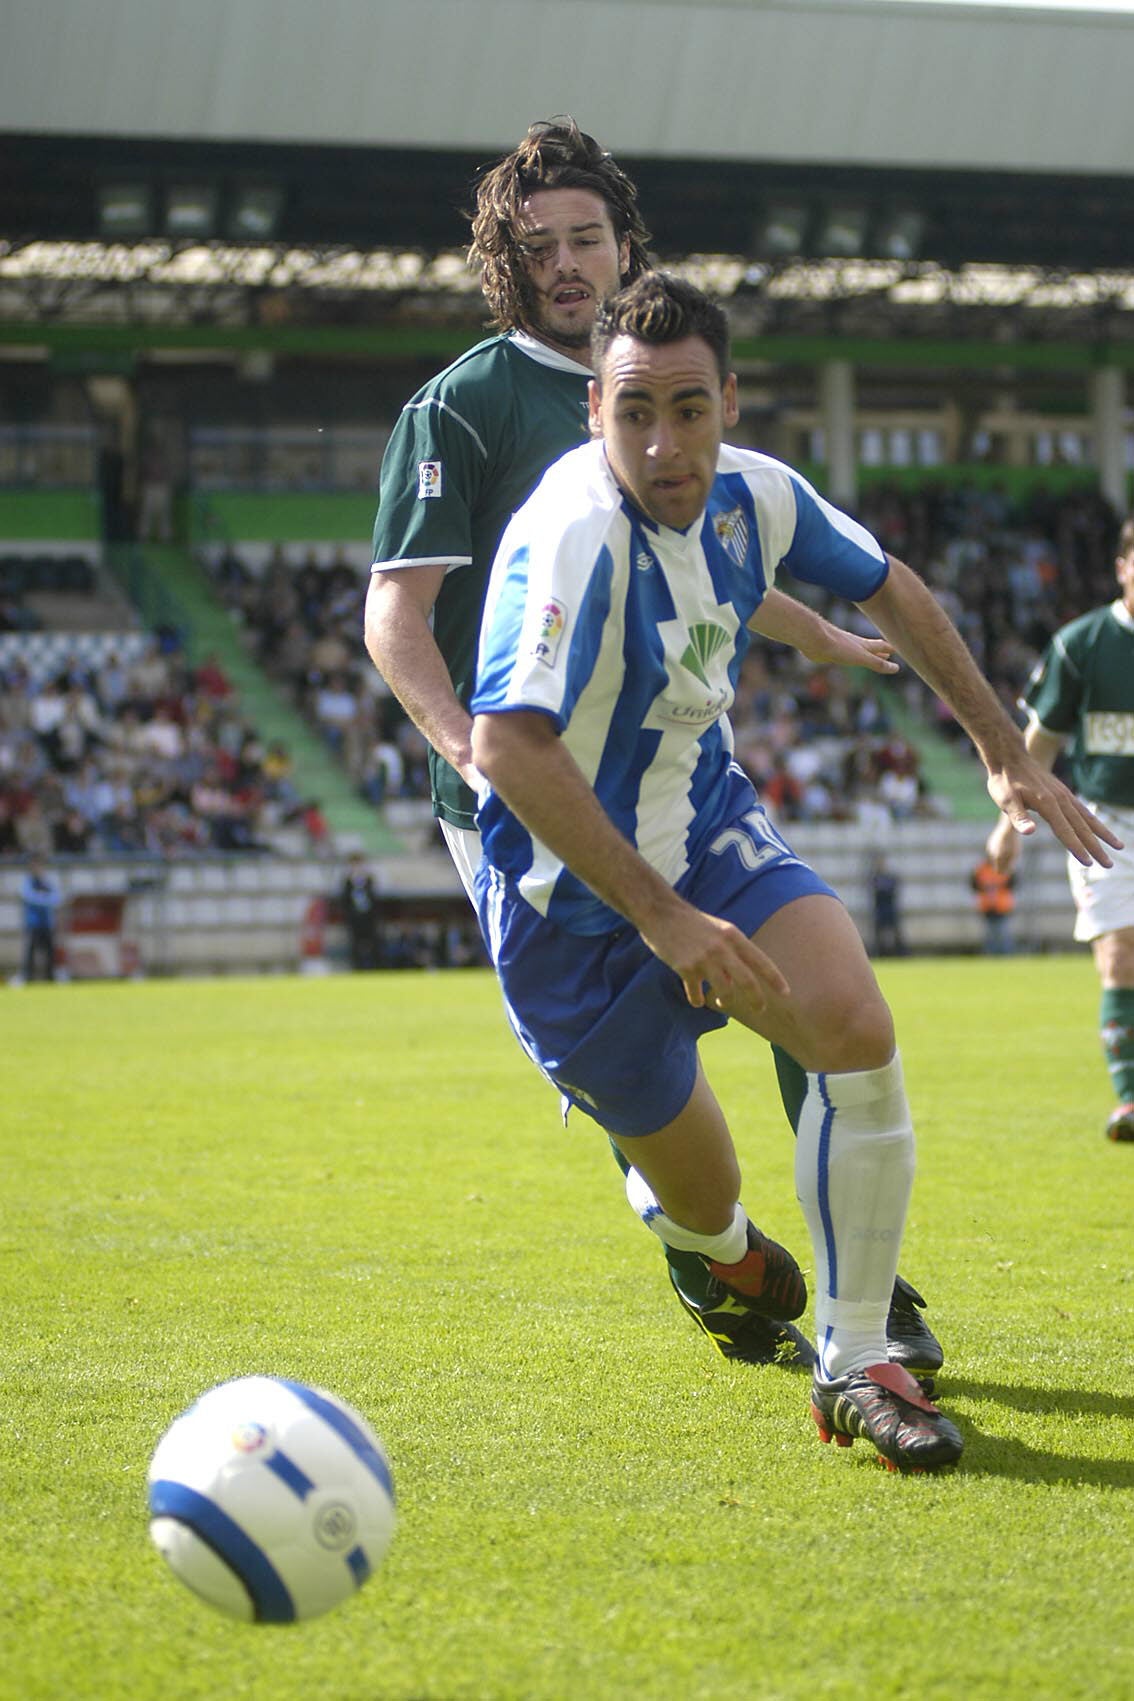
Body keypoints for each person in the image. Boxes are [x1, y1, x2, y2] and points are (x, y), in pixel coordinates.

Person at [468, 272, 1117, 1470]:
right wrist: (660, 918)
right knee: (705, 1210)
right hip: (575, 914)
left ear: (729, 401)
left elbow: (893, 587)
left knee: (853, 1027)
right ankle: (714, 1256)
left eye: (691, 408)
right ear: (594, 414)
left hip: (709, 831)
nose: (665, 443)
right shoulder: (568, 537)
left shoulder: (755, 496)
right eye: (633, 412)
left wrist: (998, 748)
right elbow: (508, 745)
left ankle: (855, 1357)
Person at [366, 119, 938, 1378]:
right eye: (541, 245)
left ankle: (864, 1281)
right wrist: (466, 746)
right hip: (524, 799)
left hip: (680, 763)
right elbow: (394, 614)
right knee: (631, 1065)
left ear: (626, 244)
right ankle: (700, 1235)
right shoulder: (461, 409)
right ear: (504, 261)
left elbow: (710, 568)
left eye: (588, 237)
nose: (568, 262)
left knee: (807, 993)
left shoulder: (660, 385)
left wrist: (813, 636)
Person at [987, 516, 1134, 1141]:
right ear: (1123, 566)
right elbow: (1036, 747)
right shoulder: (1084, 643)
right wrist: (1005, 827)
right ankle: (1130, 1100)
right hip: (1107, 824)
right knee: (1119, 952)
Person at [18, 854, 63, 982]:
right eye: (35, 866)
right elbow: (29, 897)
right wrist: (45, 898)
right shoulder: (27, 882)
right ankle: (26, 977)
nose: (38, 869)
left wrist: (43, 898)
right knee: (30, 953)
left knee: (50, 952)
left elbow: (57, 898)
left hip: (47, 923)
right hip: (33, 923)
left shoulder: (47, 883)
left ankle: (51, 978)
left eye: (40, 866)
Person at [339, 852, 384, 971]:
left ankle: (377, 968)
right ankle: (357, 968)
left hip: (369, 917)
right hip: (355, 918)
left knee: (374, 943)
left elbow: (374, 898)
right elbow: (345, 901)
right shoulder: (347, 882)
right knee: (355, 944)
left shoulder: (368, 880)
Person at [970, 855, 1016, 955]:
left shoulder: (1004, 868)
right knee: (990, 935)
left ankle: (1006, 955)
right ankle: (992, 956)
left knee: (1003, 934)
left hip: (1002, 906)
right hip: (987, 907)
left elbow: (1013, 883)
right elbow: (973, 885)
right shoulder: (981, 869)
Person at [868, 854, 906, 957]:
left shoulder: (888, 877)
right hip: (880, 910)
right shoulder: (875, 877)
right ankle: (877, 954)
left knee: (896, 932)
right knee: (877, 934)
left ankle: (902, 953)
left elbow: (891, 889)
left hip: (890, 909)